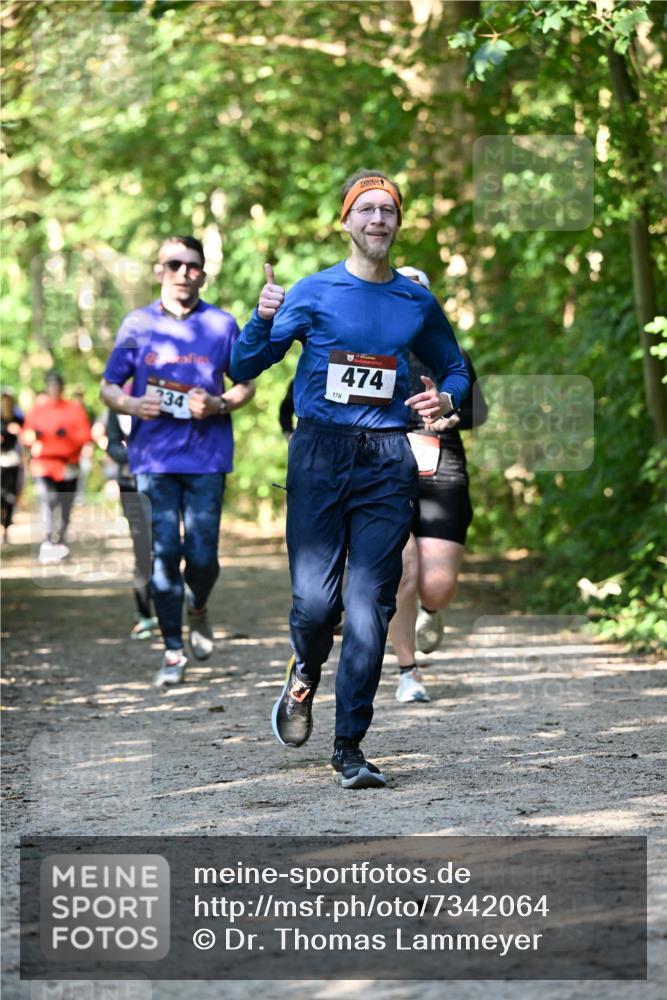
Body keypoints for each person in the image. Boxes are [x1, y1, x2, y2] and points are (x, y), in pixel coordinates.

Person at [230, 169, 469, 789]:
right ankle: (305, 672)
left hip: (388, 458)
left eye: (388, 210)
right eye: (365, 210)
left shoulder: (416, 301)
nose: (377, 220)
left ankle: (349, 748)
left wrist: (445, 397)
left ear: (398, 222)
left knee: (370, 606)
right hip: (319, 452)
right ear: (347, 222)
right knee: (316, 605)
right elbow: (244, 362)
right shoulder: (312, 293)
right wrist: (258, 320)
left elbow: (456, 367)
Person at [101, 235, 255, 687]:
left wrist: (221, 404)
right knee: (164, 556)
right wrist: (132, 406)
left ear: (203, 274)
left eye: (193, 266)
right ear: (158, 270)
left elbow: (246, 385)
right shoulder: (136, 325)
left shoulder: (222, 324)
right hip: (153, 459)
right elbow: (109, 387)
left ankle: (198, 607)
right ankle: (172, 650)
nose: (184, 272)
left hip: (207, 457)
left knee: (203, 557)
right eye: (174, 264)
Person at [389, 266, 488, 704]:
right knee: (402, 572)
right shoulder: (370, 346)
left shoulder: (450, 353)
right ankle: (407, 673)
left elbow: (476, 413)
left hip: (443, 472)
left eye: (418, 292)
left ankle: (431, 611)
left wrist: (449, 414)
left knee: (437, 586)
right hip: (386, 472)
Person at [22, 372, 92, 563]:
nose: (54, 389)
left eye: (57, 385)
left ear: (62, 387)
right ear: (46, 387)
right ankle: (48, 538)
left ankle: (61, 538)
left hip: (68, 463)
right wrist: (34, 435)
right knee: (48, 500)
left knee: (66, 503)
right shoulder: (38, 409)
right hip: (44, 464)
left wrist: (68, 435)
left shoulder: (74, 408)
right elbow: (25, 435)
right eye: (50, 385)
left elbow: (86, 435)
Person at [104, 406, 158, 640]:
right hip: (130, 483)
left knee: (164, 547)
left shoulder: (163, 391)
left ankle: (168, 607)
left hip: (162, 481)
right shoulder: (118, 403)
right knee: (142, 548)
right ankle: (145, 613)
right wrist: (135, 453)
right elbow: (112, 445)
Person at [1, 388, 25, 543]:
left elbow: (27, 434)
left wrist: (19, 432)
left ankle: (6, 526)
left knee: (10, 494)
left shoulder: (18, 417)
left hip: (13, 460)